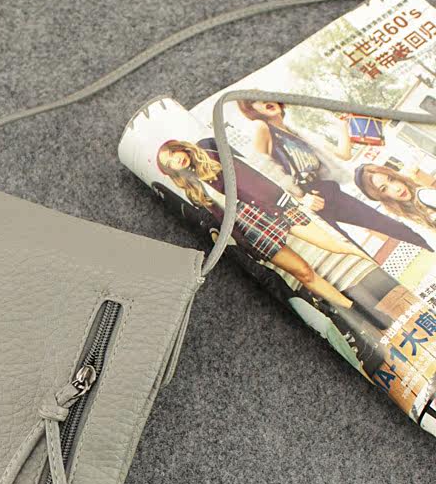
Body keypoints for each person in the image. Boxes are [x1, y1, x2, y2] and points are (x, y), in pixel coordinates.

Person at [156, 138, 380, 319]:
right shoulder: (193, 191)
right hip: (249, 228)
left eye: (173, 153)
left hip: (272, 207)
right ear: (170, 170)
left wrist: (286, 198)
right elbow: (221, 220)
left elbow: (256, 175)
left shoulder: (212, 153)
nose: (176, 159)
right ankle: (355, 311)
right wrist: (246, 245)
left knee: (336, 245)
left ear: (181, 148)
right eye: (170, 162)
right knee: (303, 272)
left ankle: (380, 274)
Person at [236, 99, 434, 252]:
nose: (264, 102)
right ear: (252, 111)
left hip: (327, 190)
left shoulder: (296, 132)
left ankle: (430, 251)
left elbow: (343, 155)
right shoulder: (261, 127)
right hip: (307, 200)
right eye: (255, 101)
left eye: (264, 97)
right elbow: (260, 168)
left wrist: (342, 127)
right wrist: (300, 199)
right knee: (350, 248)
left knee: (391, 226)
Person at [354, 164, 436, 234]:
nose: (397, 189)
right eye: (384, 189)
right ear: (380, 197)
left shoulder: (423, 195)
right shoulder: (404, 215)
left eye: (392, 179)